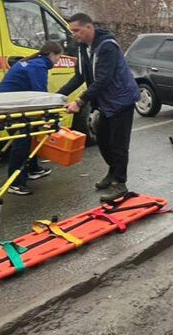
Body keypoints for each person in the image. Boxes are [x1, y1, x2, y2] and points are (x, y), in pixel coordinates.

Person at [58, 13, 141, 202]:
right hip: (105, 102)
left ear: (89, 27)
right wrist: (57, 96)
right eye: (72, 31)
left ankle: (120, 184)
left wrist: (79, 102)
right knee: (102, 139)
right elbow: (80, 77)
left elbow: (103, 79)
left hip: (121, 100)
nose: (74, 35)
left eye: (77, 30)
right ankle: (112, 173)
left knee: (118, 145)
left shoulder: (107, 46)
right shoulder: (82, 48)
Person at [0, 41, 62, 195]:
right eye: (58, 57)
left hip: (9, 104)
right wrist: (51, 112)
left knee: (30, 134)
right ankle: (15, 182)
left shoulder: (32, 62)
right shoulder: (39, 66)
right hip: (10, 107)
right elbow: (40, 93)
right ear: (52, 55)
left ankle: (32, 169)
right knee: (23, 140)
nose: (58, 61)